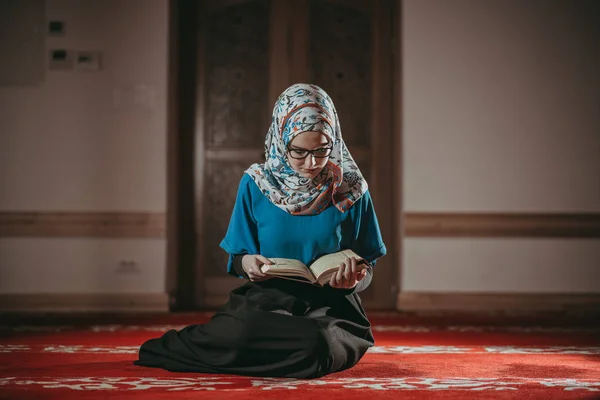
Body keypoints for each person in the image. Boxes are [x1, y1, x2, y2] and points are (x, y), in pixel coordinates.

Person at [134, 83, 387, 379]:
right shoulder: (256, 184)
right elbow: (238, 256)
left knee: (319, 345)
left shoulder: (351, 190)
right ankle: (214, 346)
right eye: (299, 152)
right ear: (281, 139)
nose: (312, 163)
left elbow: (367, 266)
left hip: (331, 307)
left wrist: (354, 281)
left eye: (322, 151)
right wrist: (248, 264)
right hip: (268, 300)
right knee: (244, 333)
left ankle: (245, 351)